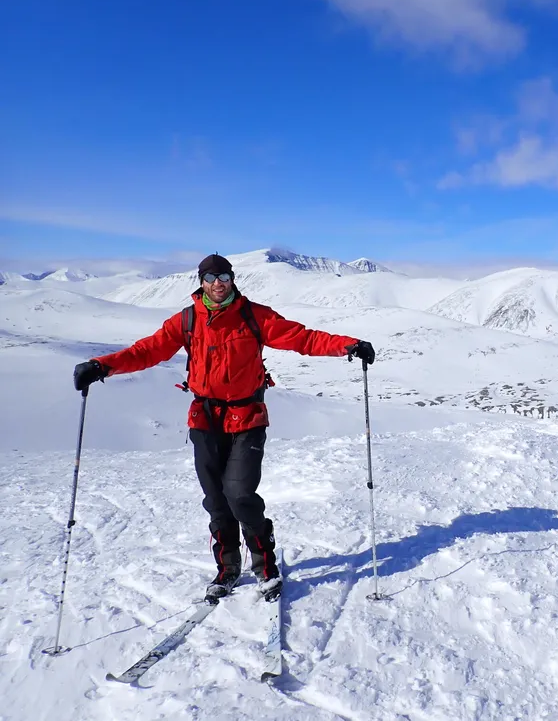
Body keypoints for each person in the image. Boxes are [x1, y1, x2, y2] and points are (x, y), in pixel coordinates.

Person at [72, 253, 375, 603]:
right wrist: (102, 366)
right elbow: (148, 351)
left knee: (239, 494)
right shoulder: (186, 321)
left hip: (247, 417)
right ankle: (227, 567)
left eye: (225, 276)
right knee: (216, 500)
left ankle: (264, 563)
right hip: (205, 419)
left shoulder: (253, 316)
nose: (219, 282)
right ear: (201, 282)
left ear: (232, 280)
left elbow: (302, 338)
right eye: (212, 276)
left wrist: (347, 345)